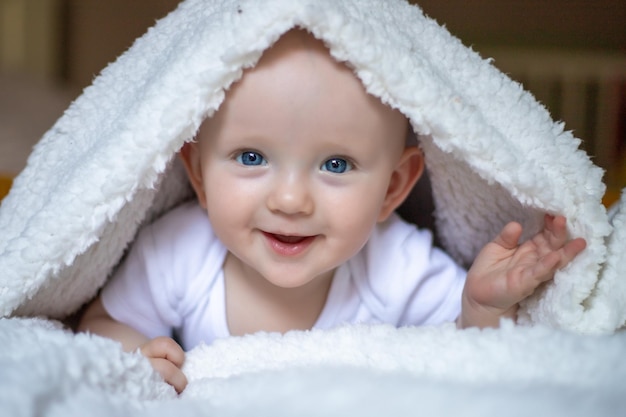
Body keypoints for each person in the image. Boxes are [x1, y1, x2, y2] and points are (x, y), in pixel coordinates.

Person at [78, 29, 586, 393]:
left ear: (393, 188)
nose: (291, 201)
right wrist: (133, 356)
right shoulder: (177, 252)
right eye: (252, 158)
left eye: (336, 164)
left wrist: (482, 307)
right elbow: (104, 322)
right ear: (199, 175)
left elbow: (468, 357)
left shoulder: (398, 266)